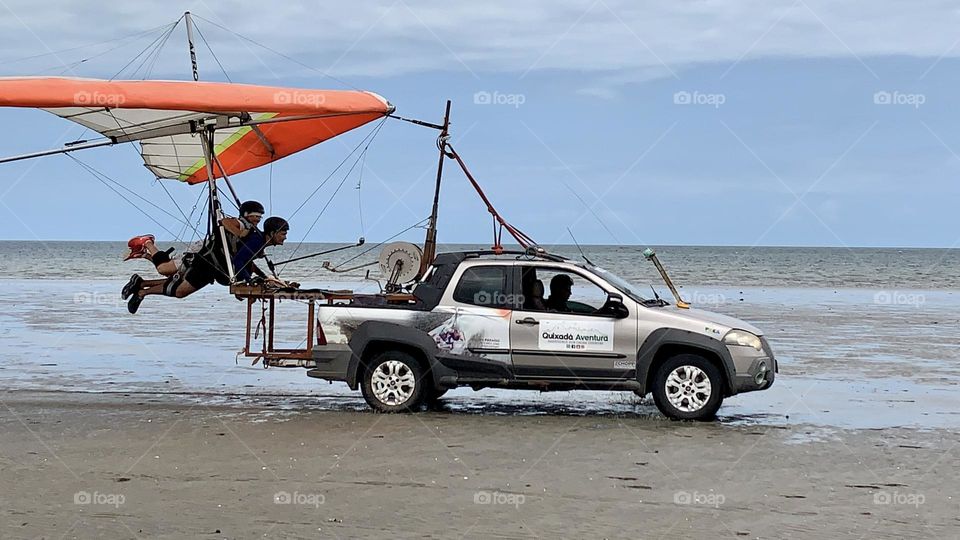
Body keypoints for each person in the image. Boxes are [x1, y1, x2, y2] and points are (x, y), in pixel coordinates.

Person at [120, 201, 266, 311]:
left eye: (261, 217)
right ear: (247, 214)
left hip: (211, 262)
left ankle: (142, 279)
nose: (258, 219)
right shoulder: (240, 224)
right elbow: (223, 221)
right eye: (256, 216)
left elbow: (246, 261)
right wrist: (240, 233)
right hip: (202, 251)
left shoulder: (252, 234)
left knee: (176, 281)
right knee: (165, 270)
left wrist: (260, 277)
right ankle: (148, 243)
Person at [232, 216, 289, 284]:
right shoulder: (257, 242)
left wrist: (264, 277)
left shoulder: (261, 242)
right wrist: (249, 280)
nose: (285, 237)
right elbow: (238, 260)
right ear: (272, 233)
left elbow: (249, 262)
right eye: (283, 234)